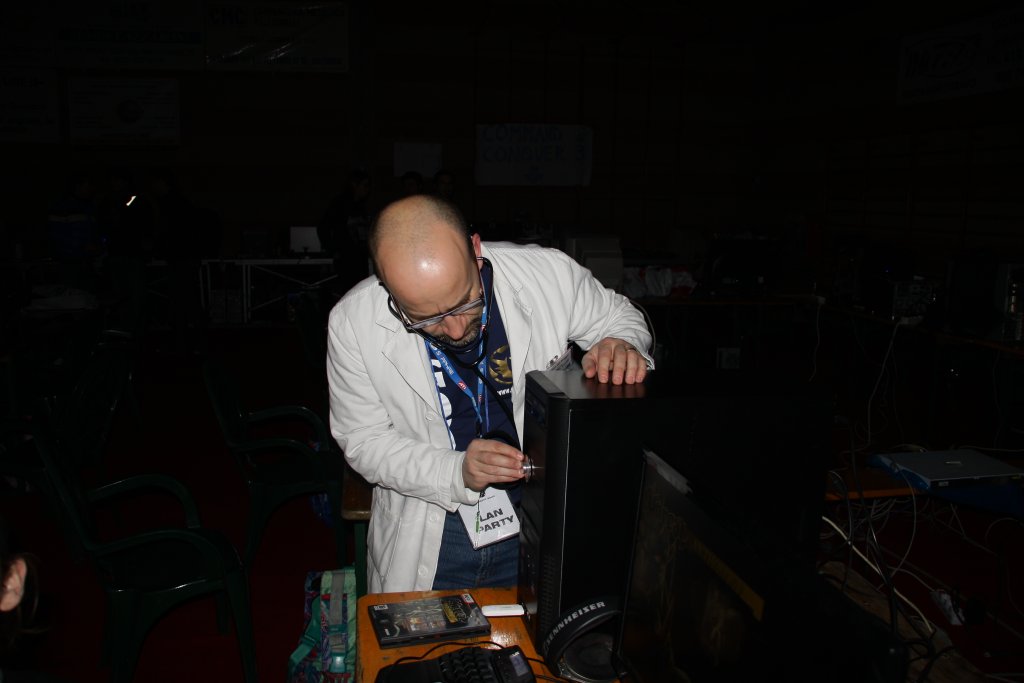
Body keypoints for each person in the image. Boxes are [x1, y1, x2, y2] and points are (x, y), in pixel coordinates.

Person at [325, 195, 652, 593]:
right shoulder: (353, 323)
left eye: (465, 301)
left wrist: (622, 343)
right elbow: (363, 441)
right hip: (437, 526)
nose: (456, 330)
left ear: (475, 250)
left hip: (538, 513)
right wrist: (455, 471)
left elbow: (620, 317)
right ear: (388, 290)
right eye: (426, 319)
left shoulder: (547, 273)